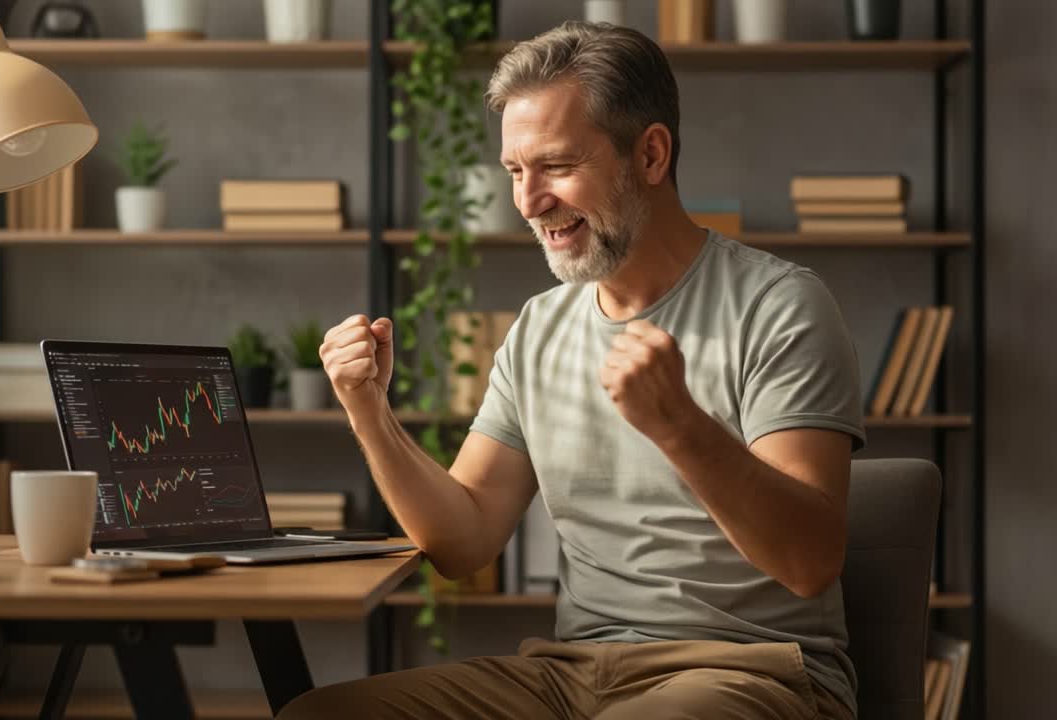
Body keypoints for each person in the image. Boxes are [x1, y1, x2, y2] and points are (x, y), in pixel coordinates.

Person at [282, 20, 864, 720]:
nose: (529, 203)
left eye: (556, 166)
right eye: (515, 172)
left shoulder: (781, 307)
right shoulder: (538, 329)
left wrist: (679, 426)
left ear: (650, 155)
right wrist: (368, 414)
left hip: (750, 670)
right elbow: (463, 541)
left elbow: (809, 561)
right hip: (571, 677)